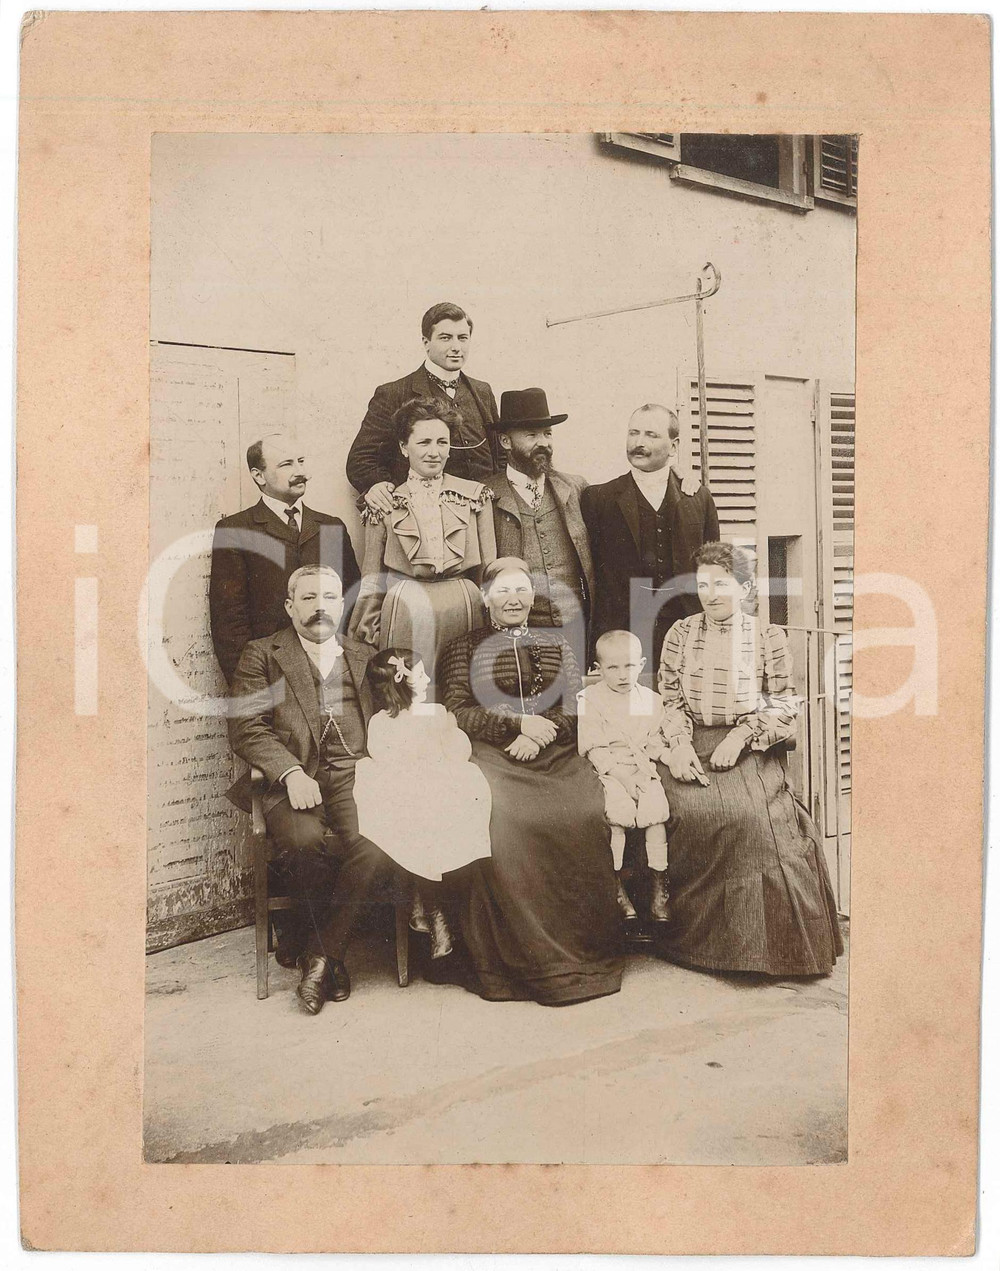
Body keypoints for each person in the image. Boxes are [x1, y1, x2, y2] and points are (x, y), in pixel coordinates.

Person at [655, 541, 844, 977]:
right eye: (703, 585)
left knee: (751, 820)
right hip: (691, 743)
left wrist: (741, 736)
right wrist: (680, 746)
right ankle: (696, 942)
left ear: (743, 587)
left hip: (749, 745)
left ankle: (765, 951)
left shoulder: (767, 637)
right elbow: (671, 702)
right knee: (689, 809)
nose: (711, 594)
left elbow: (782, 703)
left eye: (721, 584)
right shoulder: (680, 634)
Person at [440, 558, 622, 1006]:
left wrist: (544, 732)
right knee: (509, 819)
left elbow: (576, 705)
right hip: (493, 752)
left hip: (553, 748)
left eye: (522, 590)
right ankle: (518, 959)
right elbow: (457, 710)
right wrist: (515, 726)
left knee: (581, 810)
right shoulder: (463, 648)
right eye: (503, 591)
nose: (514, 599)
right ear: (486, 599)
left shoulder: (558, 645)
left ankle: (583, 949)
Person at [226, 564, 393, 1015]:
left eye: (329, 598)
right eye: (307, 598)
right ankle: (329, 958)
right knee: (302, 842)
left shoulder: (365, 655)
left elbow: (396, 716)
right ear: (289, 606)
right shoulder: (262, 654)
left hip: (358, 775)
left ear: (342, 605)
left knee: (376, 845)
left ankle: (319, 955)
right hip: (294, 777)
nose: (319, 607)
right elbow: (246, 728)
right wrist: (290, 772)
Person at [352, 647, 493, 962]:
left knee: (449, 805)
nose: (428, 679)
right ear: (401, 682)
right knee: (414, 811)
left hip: (440, 782)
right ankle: (434, 908)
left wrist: (451, 732)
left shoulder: (437, 713)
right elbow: (385, 758)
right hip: (405, 787)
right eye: (420, 675)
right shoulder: (380, 723)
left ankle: (427, 901)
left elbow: (458, 754)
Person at [348, 395, 496, 684]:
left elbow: (488, 571)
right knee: (411, 698)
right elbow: (372, 577)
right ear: (404, 447)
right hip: (406, 615)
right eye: (423, 442)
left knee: (461, 695)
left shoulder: (475, 496)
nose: (434, 452)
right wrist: (367, 634)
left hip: (465, 612)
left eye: (442, 442)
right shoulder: (384, 502)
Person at [210, 432, 360, 684]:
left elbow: (354, 600)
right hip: (271, 675)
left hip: (331, 672)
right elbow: (229, 620)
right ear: (259, 475)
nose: (300, 471)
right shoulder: (236, 531)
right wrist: (249, 682)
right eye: (287, 464)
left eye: (301, 461)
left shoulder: (331, 527)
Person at [580, 403, 718, 666]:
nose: (638, 442)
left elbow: (715, 571)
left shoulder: (699, 498)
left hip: (687, 634)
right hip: (623, 637)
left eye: (651, 435)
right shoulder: (598, 498)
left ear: (674, 447)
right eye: (633, 433)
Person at [347, 301, 500, 515]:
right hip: (424, 515)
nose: (456, 347)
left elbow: (500, 454)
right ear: (426, 342)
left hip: (484, 515)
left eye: (463, 338)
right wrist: (379, 486)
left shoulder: (483, 391)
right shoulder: (393, 393)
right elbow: (360, 460)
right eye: (445, 338)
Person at [577, 630, 673, 925]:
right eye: (613, 668)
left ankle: (659, 886)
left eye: (629, 666)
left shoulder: (650, 700)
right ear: (598, 669)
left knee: (656, 812)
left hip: (641, 768)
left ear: (642, 664)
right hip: (610, 769)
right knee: (617, 814)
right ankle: (617, 886)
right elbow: (593, 747)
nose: (622, 675)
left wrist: (668, 757)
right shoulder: (591, 699)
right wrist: (621, 777)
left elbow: (654, 741)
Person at [485, 388, 594, 640]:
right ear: (505, 441)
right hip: (514, 631)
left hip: (574, 627)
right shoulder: (486, 495)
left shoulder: (576, 487)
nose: (543, 442)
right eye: (531, 435)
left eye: (548, 434)